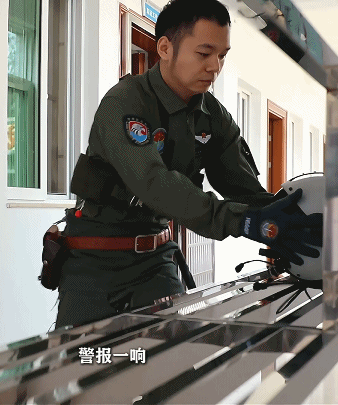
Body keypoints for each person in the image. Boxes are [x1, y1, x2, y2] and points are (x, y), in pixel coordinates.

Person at [54, 0, 322, 328]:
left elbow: (244, 190)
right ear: (165, 48)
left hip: (155, 260)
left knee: (172, 351)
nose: (214, 67)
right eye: (204, 53)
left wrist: (290, 221)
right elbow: (154, 184)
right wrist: (245, 221)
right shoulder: (125, 102)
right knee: (84, 355)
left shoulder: (214, 118)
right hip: (93, 259)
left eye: (222, 56)